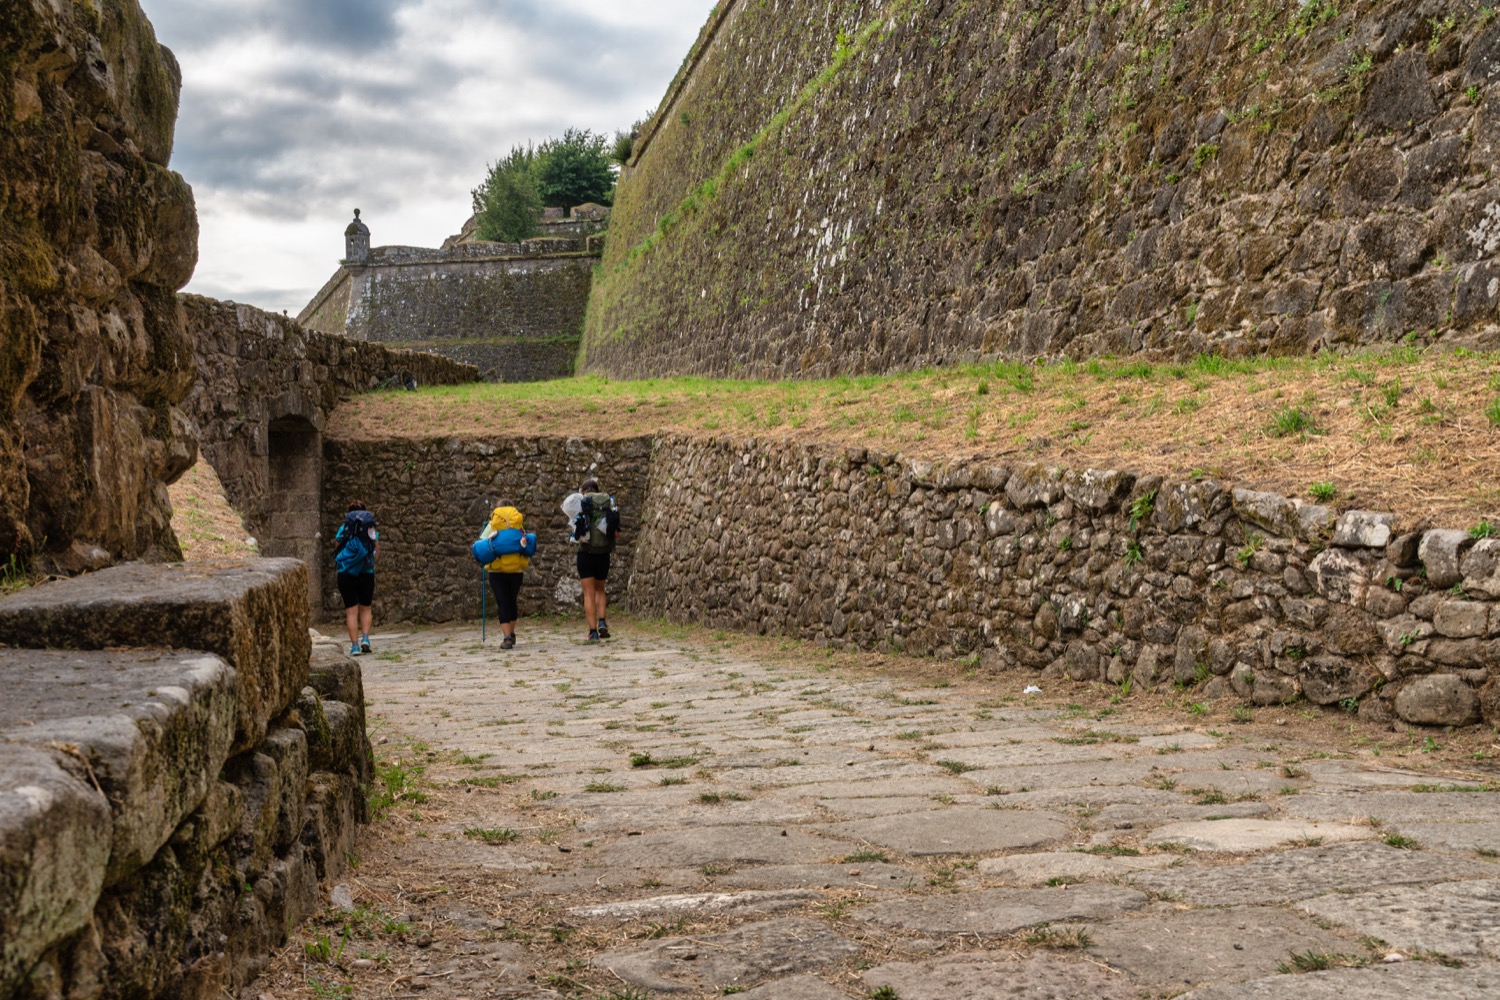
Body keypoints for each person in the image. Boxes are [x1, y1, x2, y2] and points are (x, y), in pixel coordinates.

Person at [479, 504, 536, 650]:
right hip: (516, 571)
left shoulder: (493, 525)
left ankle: (506, 637)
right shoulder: (517, 524)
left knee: (502, 602)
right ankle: (511, 632)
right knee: (511, 601)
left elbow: (483, 545)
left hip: (496, 571)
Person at [571, 478, 620, 642]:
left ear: (583, 492)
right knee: (600, 590)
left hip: (585, 554)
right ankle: (602, 622)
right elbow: (616, 533)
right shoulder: (608, 505)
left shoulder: (580, 505)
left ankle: (592, 632)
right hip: (603, 554)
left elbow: (574, 534)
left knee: (588, 594)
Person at [333, 501, 378, 656]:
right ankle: (365, 638)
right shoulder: (370, 529)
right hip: (366, 573)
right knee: (366, 608)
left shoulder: (343, 529)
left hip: (346, 574)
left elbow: (338, 550)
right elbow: (375, 550)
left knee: (351, 612)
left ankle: (354, 646)